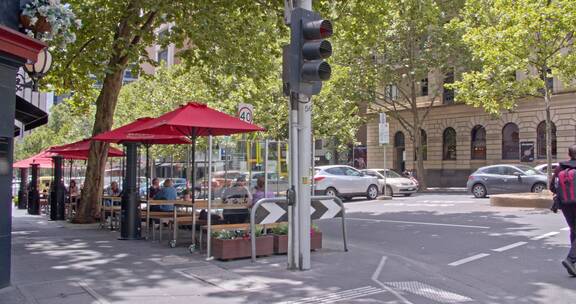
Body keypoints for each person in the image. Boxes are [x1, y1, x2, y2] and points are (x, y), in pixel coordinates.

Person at [550, 144, 576, 276]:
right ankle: (570, 259)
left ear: (569, 154)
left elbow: (552, 187)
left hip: (565, 204)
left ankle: (573, 261)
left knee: (573, 229)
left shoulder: (560, 167)